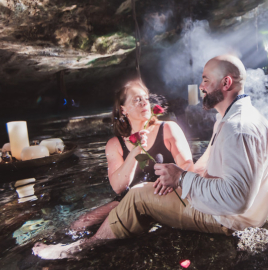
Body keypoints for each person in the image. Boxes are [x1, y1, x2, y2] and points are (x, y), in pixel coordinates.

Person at [32, 79, 193, 259]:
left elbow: (187, 165)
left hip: (163, 192)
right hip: (128, 197)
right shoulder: (114, 144)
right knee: (80, 223)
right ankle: (55, 246)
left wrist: (174, 181)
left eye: (145, 99)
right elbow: (118, 187)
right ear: (123, 109)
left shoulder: (169, 128)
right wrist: (137, 148)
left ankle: (79, 249)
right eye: (136, 100)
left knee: (101, 232)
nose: (144, 103)